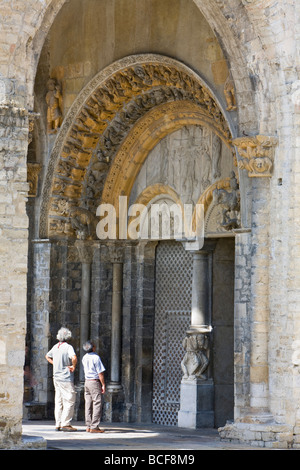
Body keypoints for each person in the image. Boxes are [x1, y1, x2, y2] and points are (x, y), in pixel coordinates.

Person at [45, 327, 77, 432]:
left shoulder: (55, 347)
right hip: (65, 377)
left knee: (58, 400)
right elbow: (74, 357)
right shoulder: (68, 347)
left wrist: (55, 363)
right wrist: (73, 366)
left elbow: (47, 356)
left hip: (56, 377)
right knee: (69, 399)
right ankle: (66, 423)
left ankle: (57, 423)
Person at [82, 340, 106, 433]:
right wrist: (103, 384)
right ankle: (94, 426)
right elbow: (100, 373)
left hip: (87, 381)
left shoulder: (84, 357)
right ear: (93, 348)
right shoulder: (96, 357)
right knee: (97, 403)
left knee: (88, 403)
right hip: (94, 382)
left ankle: (88, 425)